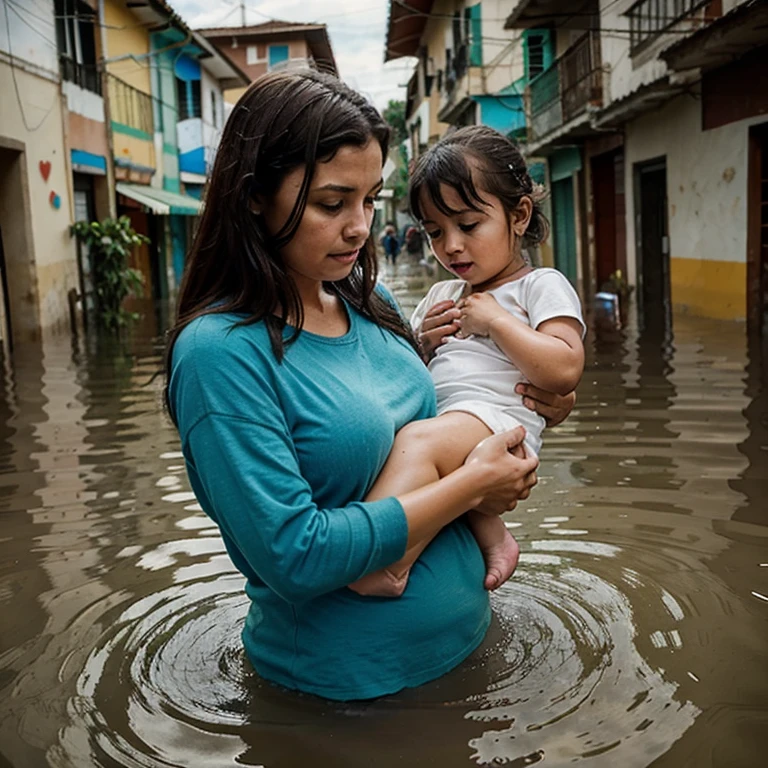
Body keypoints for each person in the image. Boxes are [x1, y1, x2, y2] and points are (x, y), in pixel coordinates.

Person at [165, 71, 575, 702]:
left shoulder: (371, 303)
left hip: (473, 661)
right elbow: (296, 556)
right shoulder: (220, 354)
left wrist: (540, 401)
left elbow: (434, 403)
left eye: (370, 201)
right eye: (333, 203)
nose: (359, 228)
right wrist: (476, 483)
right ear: (254, 196)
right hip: (347, 696)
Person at [349, 126, 585, 598]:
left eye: (469, 226)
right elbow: (406, 379)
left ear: (518, 215)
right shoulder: (441, 295)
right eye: (435, 231)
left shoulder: (540, 286)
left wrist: (497, 321)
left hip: (498, 420)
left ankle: (386, 566)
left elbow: (563, 369)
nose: (451, 245)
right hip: (452, 419)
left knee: (418, 443)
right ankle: (492, 534)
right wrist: (422, 345)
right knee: (416, 435)